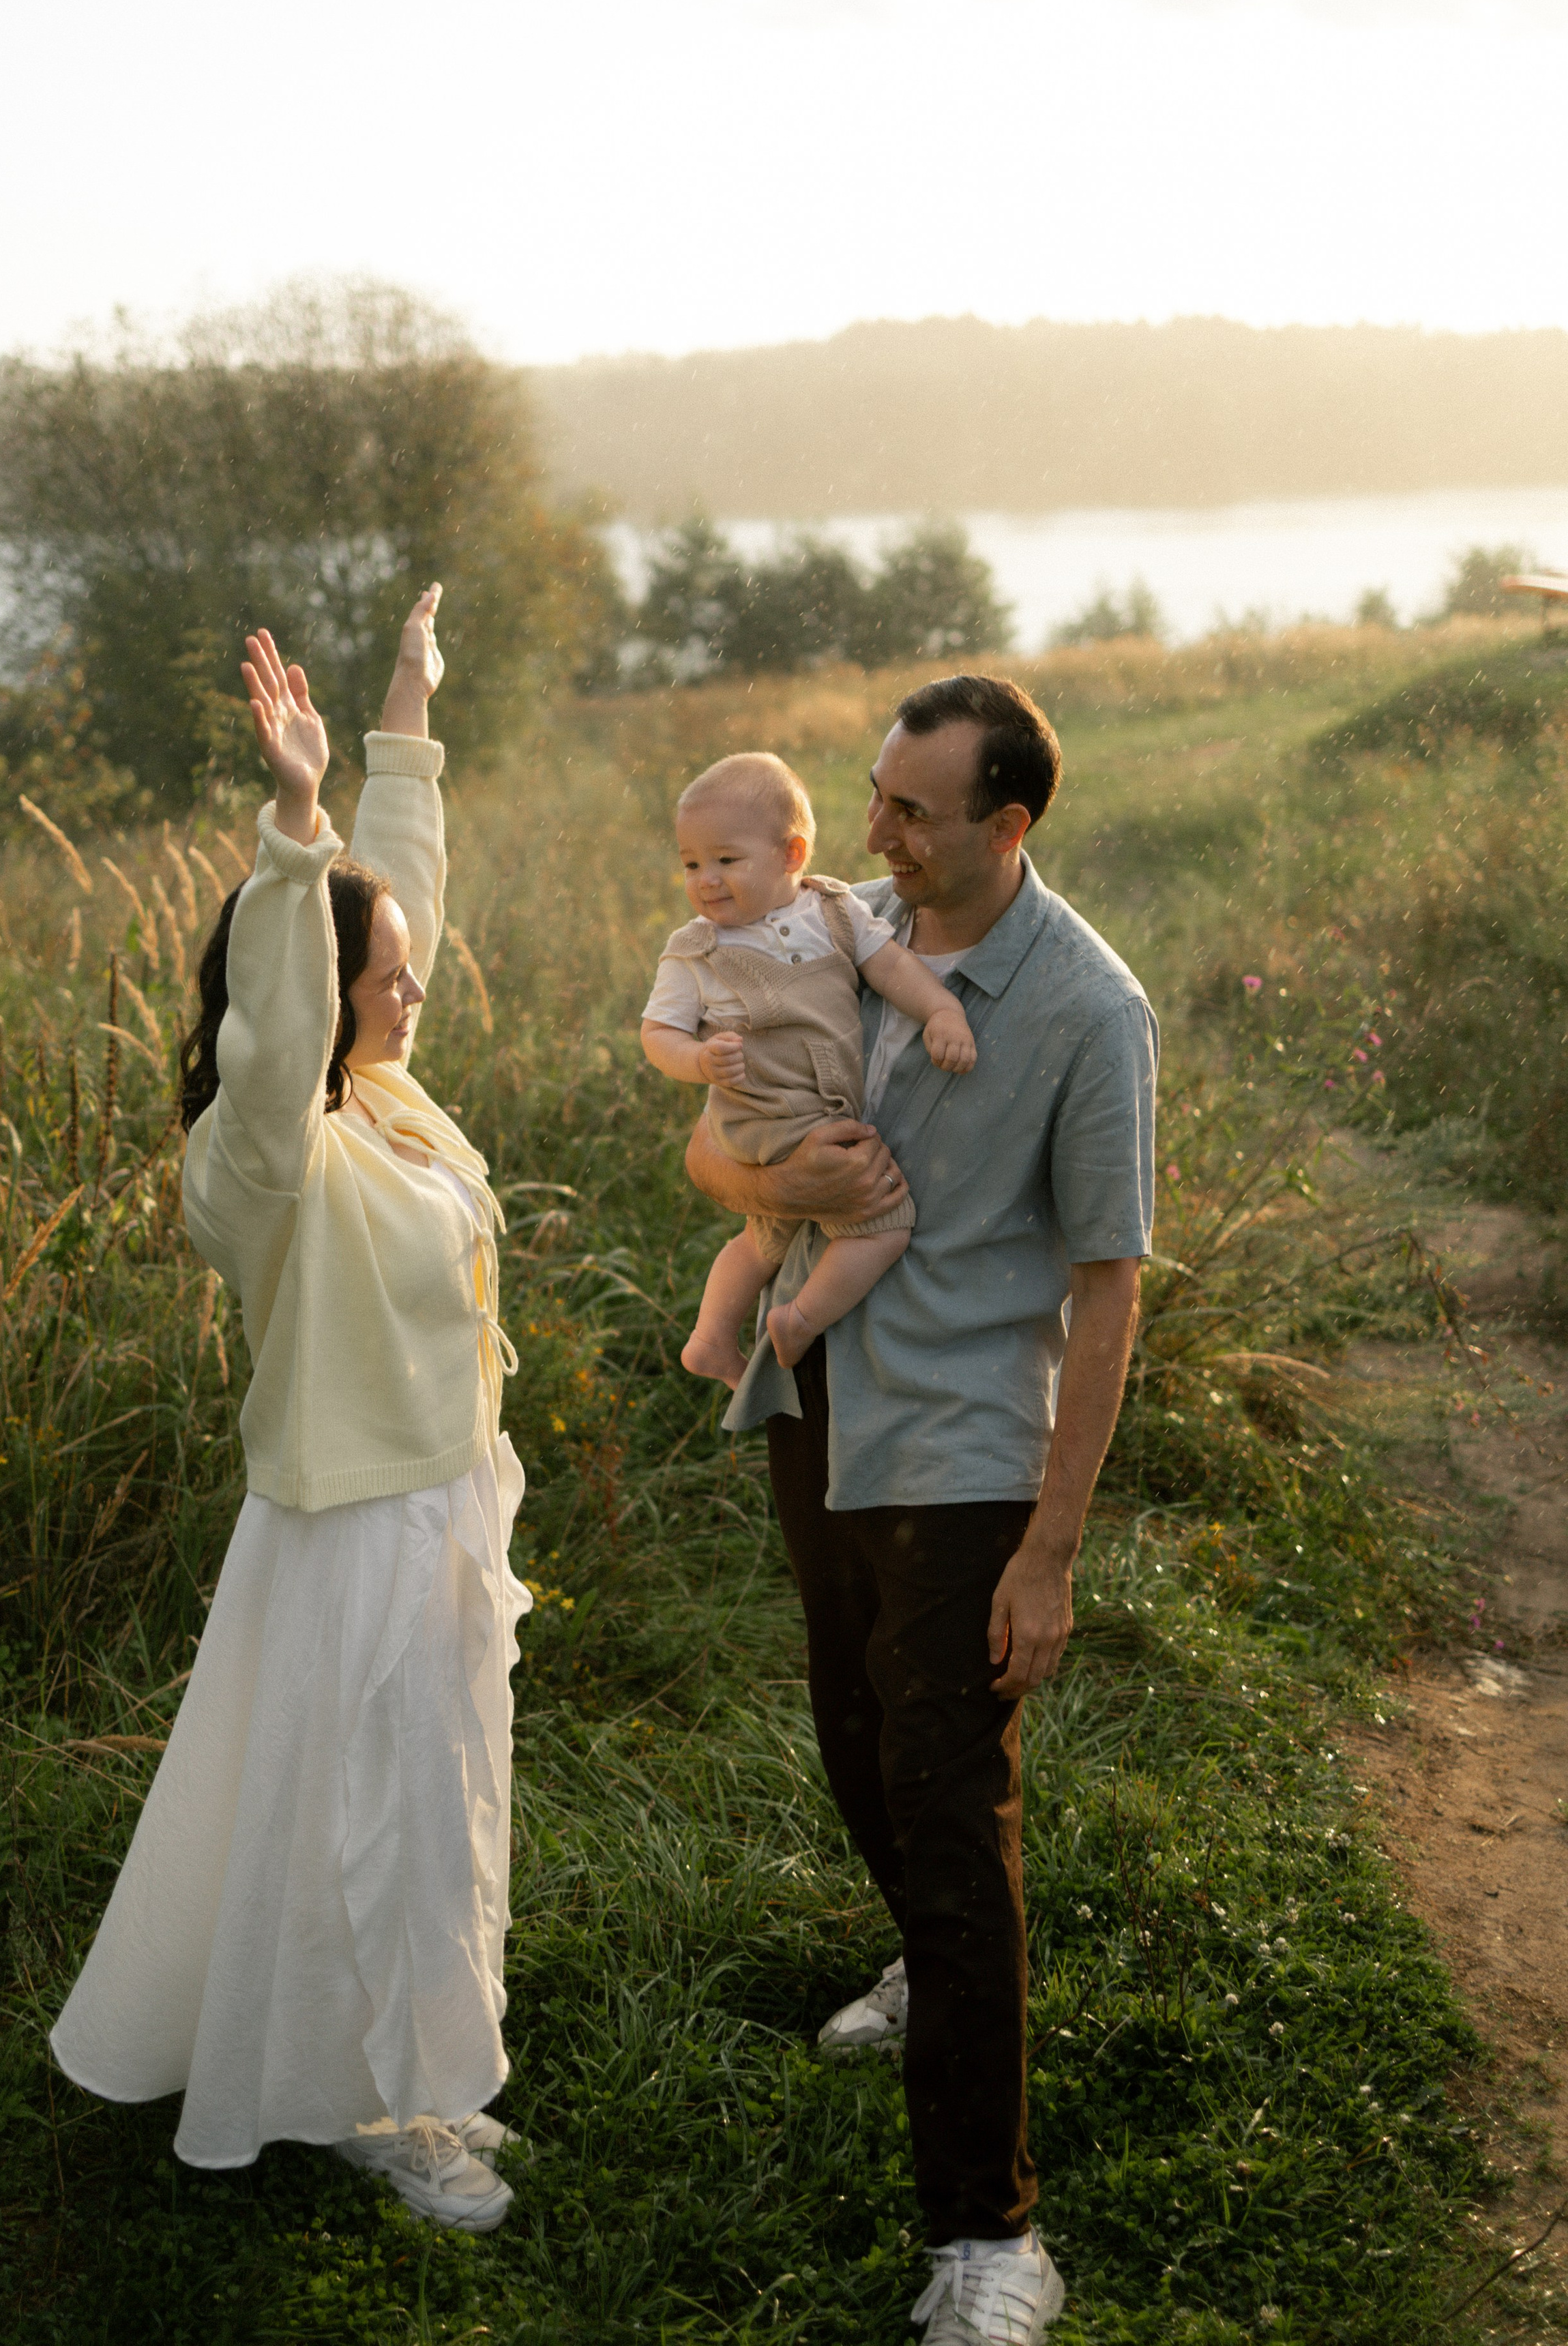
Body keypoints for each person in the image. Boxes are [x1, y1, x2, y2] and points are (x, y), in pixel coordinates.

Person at [51, 589, 533, 2235]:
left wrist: (404, 715)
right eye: (378, 979)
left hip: (446, 1499)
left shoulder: (387, 1097)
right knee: (369, 1821)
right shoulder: (267, 1158)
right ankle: (370, 2103)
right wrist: (294, 826)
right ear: (312, 996)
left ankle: (424, 2072)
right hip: (350, 1524)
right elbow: (275, 1047)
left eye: (398, 972)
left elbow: (411, 907)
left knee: (438, 1801)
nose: (411, 992)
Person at [685, 674, 1157, 2346]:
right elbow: (718, 1145)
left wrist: (1048, 1544)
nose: (870, 831)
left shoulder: (1089, 1011)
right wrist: (758, 1184)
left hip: (964, 1448)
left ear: (1006, 824)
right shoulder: (837, 923)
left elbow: (1105, 1294)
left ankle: (988, 2231)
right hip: (812, 1406)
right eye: (873, 793)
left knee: (955, 1816)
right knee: (851, 1732)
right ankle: (923, 1971)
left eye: (909, 810)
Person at [640, 751, 975, 1384]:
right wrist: (701, 1060)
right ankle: (800, 1320)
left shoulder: (836, 912)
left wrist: (942, 1013)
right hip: (765, 1111)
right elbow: (658, 1033)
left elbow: (894, 968)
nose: (705, 880)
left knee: (764, 1237)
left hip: (815, 1105)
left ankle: (710, 1338)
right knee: (885, 1225)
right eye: (691, 863)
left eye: (726, 860)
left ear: (792, 856)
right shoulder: (698, 950)